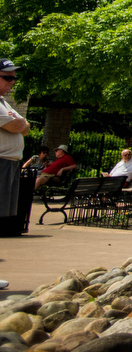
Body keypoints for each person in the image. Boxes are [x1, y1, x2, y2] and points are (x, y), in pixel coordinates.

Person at [0, 58, 31, 289]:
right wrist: (18, 122)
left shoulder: (4, 103)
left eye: (14, 77)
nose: (13, 81)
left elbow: (26, 127)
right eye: (7, 77)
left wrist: (18, 121)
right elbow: (17, 126)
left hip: (10, 164)